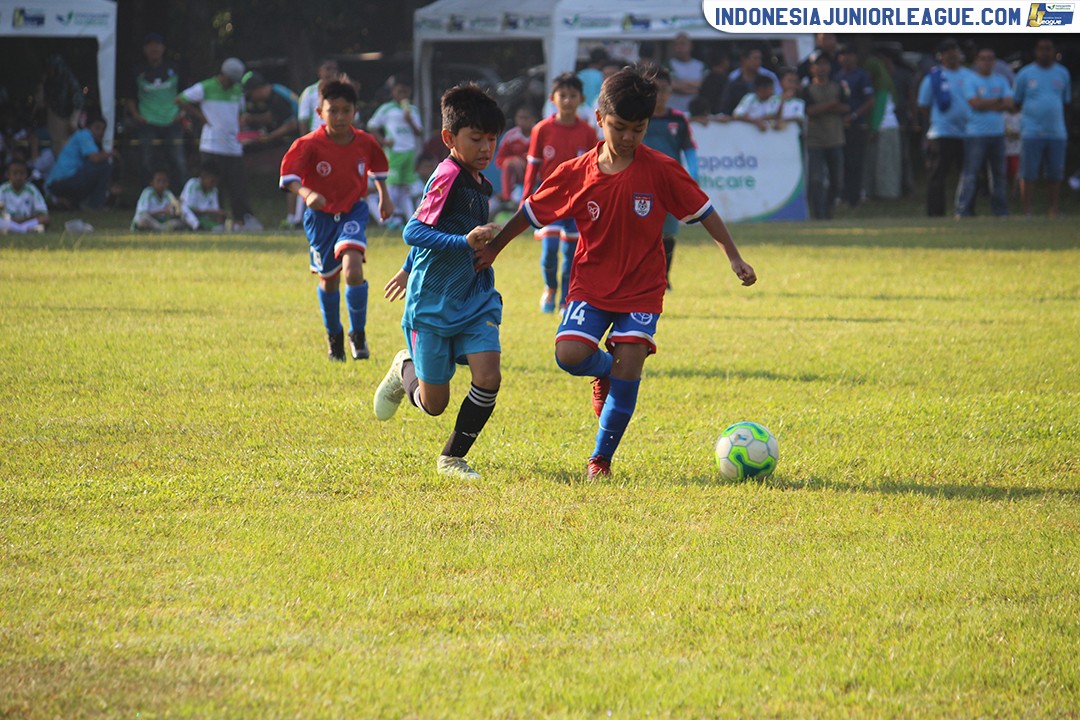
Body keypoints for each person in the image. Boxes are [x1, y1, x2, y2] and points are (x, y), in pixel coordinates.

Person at [473, 67, 756, 479]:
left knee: (630, 365)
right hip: (590, 284)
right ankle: (603, 370)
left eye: (638, 129)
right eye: (619, 127)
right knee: (569, 355)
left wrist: (733, 257)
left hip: (642, 289)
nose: (627, 138)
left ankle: (600, 460)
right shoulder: (576, 173)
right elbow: (531, 212)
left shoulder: (660, 169)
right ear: (599, 118)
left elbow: (704, 211)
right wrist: (496, 248)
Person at [371, 83, 506, 480]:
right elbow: (414, 230)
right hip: (433, 302)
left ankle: (452, 457)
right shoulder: (447, 175)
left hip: (475, 296)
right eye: (476, 139)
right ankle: (403, 368)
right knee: (434, 404)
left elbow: (439, 227)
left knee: (489, 374)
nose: (486, 148)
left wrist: (410, 265)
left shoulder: (480, 181)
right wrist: (463, 242)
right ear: (449, 138)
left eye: (491, 139)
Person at [279, 78, 392, 362]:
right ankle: (334, 336)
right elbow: (288, 177)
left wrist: (384, 196)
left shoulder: (365, 141)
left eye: (346, 110)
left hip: (353, 210)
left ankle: (358, 334)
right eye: (333, 111)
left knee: (352, 269)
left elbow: (378, 167)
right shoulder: (308, 144)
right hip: (320, 218)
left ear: (355, 111)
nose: (340, 117)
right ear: (320, 112)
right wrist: (307, 193)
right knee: (328, 281)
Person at [523, 73, 598, 314]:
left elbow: (592, 169)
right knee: (549, 253)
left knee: (570, 254)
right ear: (552, 99)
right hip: (549, 198)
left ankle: (566, 299)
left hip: (577, 200)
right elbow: (532, 166)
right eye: (562, 96)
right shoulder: (541, 129)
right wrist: (526, 197)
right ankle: (550, 288)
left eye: (572, 96)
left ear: (582, 99)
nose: (567, 100)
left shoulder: (587, 132)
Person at [177, 58, 262, 231]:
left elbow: (241, 113)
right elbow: (180, 99)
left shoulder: (237, 90)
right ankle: (218, 221)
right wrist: (201, 118)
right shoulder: (206, 87)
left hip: (233, 147)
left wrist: (242, 126)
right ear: (223, 75)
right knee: (215, 186)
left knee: (238, 186)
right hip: (211, 146)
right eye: (230, 80)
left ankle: (241, 220)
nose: (232, 84)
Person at [643, 69, 698, 291]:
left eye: (663, 90)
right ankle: (643, 277)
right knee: (642, 232)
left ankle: (663, 278)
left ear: (670, 92)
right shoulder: (638, 117)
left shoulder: (678, 119)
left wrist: (693, 176)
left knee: (668, 232)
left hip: (669, 185)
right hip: (640, 183)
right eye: (654, 90)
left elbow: (689, 149)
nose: (659, 95)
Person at [917, 39, 975, 217]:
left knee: (968, 175)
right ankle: (935, 213)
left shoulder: (970, 76)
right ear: (940, 57)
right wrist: (938, 120)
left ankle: (966, 211)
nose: (951, 56)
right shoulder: (934, 77)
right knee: (937, 176)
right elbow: (923, 104)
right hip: (941, 133)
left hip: (967, 132)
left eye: (954, 51)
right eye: (947, 53)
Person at [1014, 37, 1071, 218]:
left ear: (1054, 51)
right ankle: (1027, 211)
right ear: (1035, 52)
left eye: (1048, 49)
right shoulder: (1025, 74)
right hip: (1031, 131)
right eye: (1041, 49)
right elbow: (1017, 101)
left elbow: (1065, 103)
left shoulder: (1062, 73)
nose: (1045, 52)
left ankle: (1053, 210)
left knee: (1054, 174)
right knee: (1028, 173)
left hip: (1056, 132)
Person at [955, 47, 1012, 218]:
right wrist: (997, 101)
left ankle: (1000, 212)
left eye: (990, 58)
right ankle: (963, 210)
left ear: (994, 61)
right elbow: (974, 103)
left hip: (997, 133)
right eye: (983, 58)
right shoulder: (971, 80)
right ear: (977, 62)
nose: (987, 62)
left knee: (998, 175)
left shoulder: (1001, 80)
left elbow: (1009, 103)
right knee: (970, 174)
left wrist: (986, 103)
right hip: (975, 134)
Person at [127, 32, 186, 189]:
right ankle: (147, 196)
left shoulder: (175, 68)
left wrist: (181, 113)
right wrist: (136, 116)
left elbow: (185, 95)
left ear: (163, 48)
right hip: (148, 122)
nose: (154, 48)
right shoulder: (137, 71)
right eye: (150, 45)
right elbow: (130, 98)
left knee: (177, 160)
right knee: (146, 160)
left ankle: (182, 197)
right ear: (145, 49)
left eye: (157, 45)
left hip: (172, 121)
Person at [367, 77, 423, 228]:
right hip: (394, 153)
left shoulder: (413, 110)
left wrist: (409, 120)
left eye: (405, 92)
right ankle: (389, 218)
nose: (402, 95)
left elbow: (419, 132)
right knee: (391, 186)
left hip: (409, 152)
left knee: (405, 187)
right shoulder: (387, 109)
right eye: (399, 91)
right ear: (393, 92)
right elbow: (372, 125)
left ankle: (408, 220)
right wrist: (383, 141)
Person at [803, 53, 848, 220]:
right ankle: (819, 213)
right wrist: (831, 105)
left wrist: (822, 108)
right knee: (815, 179)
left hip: (835, 138)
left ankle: (829, 210)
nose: (821, 68)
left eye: (824, 64)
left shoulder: (838, 86)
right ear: (811, 68)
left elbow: (846, 107)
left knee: (837, 179)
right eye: (817, 64)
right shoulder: (807, 90)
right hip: (815, 140)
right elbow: (809, 111)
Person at [45, 114, 117, 210]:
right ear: (88, 127)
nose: (101, 132)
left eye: (103, 129)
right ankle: (96, 205)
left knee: (98, 167)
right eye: (97, 128)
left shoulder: (85, 138)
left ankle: (72, 203)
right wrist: (111, 154)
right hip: (60, 183)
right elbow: (95, 158)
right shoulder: (84, 135)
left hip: (64, 182)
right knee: (104, 166)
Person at [836, 45, 876, 208]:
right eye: (843, 55)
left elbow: (870, 101)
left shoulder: (861, 76)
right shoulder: (837, 76)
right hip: (839, 126)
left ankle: (855, 197)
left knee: (855, 162)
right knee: (842, 162)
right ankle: (842, 195)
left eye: (850, 55)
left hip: (856, 125)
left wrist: (853, 116)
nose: (846, 58)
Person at [36, 54, 83, 157]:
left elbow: (78, 100)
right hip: (52, 116)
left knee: (65, 145)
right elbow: (40, 103)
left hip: (66, 117)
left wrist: (73, 120)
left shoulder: (68, 79)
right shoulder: (49, 82)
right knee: (54, 145)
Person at [494, 104, 536, 209]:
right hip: (518, 174)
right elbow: (499, 160)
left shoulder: (540, 133)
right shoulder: (511, 136)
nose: (522, 121)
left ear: (533, 118)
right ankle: (508, 198)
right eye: (520, 117)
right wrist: (515, 160)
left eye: (526, 118)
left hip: (537, 172)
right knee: (509, 164)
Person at [719, 46, 780, 116]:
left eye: (759, 58)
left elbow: (777, 98)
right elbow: (726, 107)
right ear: (744, 60)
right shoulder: (733, 79)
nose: (758, 62)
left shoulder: (769, 76)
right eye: (755, 58)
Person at [0, 158, 49, 234]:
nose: (18, 177)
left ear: (26, 175)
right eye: (15, 173)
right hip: (10, 221)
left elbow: (42, 212)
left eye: (21, 173)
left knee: (45, 219)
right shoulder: (3, 190)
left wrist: (26, 219)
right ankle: (25, 230)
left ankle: (18, 230)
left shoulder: (32, 189)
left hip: (27, 222)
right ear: (8, 175)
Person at [666, 33, 707, 114]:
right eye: (676, 44)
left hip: (695, 113)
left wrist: (680, 81)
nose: (679, 47)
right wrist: (695, 88)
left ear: (690, 45)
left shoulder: (701, 65)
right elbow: (672, 85)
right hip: (674, 111)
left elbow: (704, 85)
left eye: (682, 44)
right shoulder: (668, 64)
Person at [180, 162, 226, 231]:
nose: (214, 184)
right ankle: (196, 226)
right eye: (212, 181)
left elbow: (215, 210)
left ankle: (203, 227)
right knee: (184, 207)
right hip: (190, 217)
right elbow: (190, 208)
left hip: (203, 218)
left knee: (219, 227)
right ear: (203, 177)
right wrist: (209, 212)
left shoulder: (214, 190)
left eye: (216, 182)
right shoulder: (192, 184)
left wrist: (220, 215)